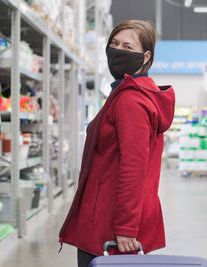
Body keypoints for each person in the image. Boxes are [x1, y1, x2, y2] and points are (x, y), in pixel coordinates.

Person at [59, 20, 176, 267]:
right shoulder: (125, 93)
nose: (118, 50)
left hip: (111, 226)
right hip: (108, 216)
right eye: (114, 43)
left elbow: (133, 168)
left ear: (146, 57)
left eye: (127, 46)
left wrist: (126, 227)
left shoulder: (131, 100)